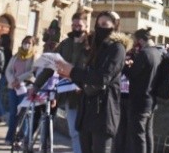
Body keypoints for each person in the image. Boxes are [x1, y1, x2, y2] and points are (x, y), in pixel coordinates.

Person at [55, 11, 130, 153]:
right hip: (87, 110)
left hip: (103, 112)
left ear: (114, 26)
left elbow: (103, 77)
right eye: (98, 24)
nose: (100, 28)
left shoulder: (117, 48)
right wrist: (71, 76)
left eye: (104, 24)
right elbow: (88, 75)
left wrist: (72, 71)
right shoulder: (96, 48)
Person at [34, 11, 89, 153]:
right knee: (74, 132)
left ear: (86, 25)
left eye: (80, 25)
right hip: (70, 96)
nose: (76, 27)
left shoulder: (92, 44)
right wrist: (36, 85)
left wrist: (86, 85)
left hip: (87, 95)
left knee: (87, 134)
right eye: (74, 25)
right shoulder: (65, 44)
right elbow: (49, 67)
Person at [124, 27, 161, 153]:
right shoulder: (157, 53)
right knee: (148, 133)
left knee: (138, 136)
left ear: (140, 40)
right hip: (151, 100)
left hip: (140, 100)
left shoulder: (144, 54)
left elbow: (133, 74)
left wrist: (125, 66)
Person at [4, 35, 37, 145]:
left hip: (25, 88)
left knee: (23, 113)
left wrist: (19, 80)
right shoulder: (16, 56)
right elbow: (8, 70)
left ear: (33, 45)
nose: (26, 44)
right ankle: (10, 137)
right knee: (13, 113)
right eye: (25, 42)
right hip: (13, 88)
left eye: (29, 43)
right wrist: (12, 80)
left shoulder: (34, 57)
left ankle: (22, 138)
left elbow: (32, 71)